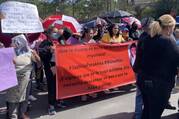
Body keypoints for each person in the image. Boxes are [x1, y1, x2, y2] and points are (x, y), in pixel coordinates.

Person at [133, 14, 179, 119]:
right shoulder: (168, 40)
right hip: (159, 84)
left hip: (144, 80)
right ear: (169, 27)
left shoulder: (146, 37)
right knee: (154, 114)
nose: (174, 30)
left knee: (147, 111)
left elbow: (139, 58)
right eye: (173, 27)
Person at [6, 34, 40, 119]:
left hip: (26, 77)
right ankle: (13, 116)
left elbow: (39, 63)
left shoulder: (29, 50)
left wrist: (35, 55)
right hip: (13, 76)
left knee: (25, 97)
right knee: (13, 98)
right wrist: (9, 56)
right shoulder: (9, 51)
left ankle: (22, 114)